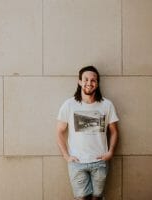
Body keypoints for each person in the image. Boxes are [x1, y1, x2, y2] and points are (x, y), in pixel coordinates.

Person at [56, 66, 119, 200]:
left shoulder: (107, 105)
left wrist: (111, 152)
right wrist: (67, 156)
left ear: (97, 83)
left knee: (97, 198)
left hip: (100, 162)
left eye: (93, 80)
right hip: (77, 162)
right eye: (85, 79)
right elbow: (59, 132)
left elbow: (114, 131)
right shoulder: (69, 104)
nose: (89, 83)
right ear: (79, 82)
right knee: (81, 198)